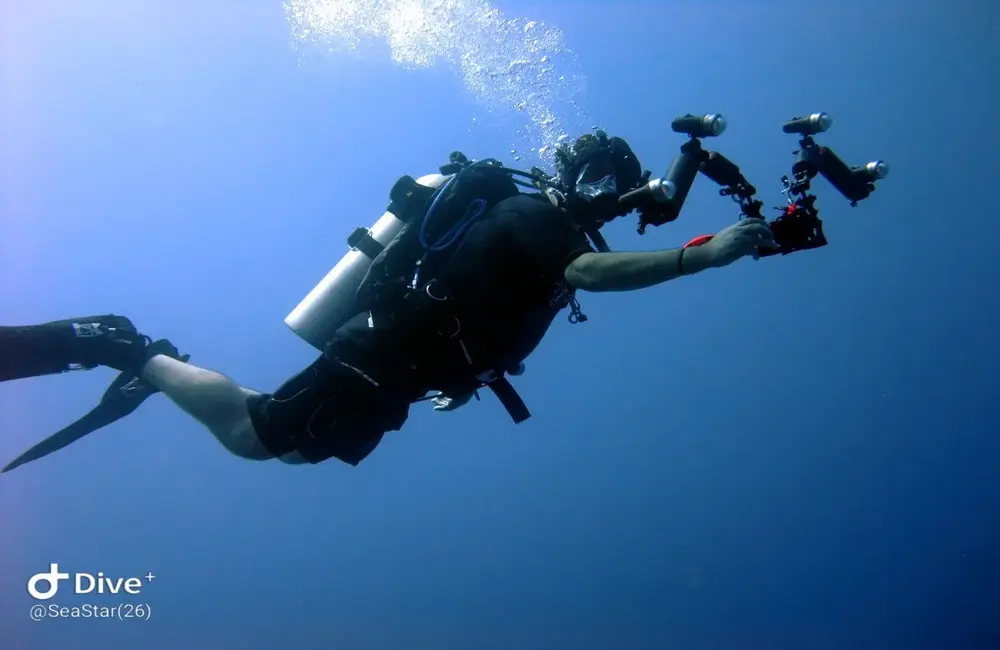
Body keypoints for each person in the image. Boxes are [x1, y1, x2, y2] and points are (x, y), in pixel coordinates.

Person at [1, 132, 776, 471]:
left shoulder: (547, 233)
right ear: (572, 176)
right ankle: (122, 345)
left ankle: (145, 364)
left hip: (402, 373)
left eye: (619, 182)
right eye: (598, 176)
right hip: (380, 354)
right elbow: (592, 276)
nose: (605, 194)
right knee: (255, 437)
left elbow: (494, 314)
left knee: (294, 450)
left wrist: (463, 383)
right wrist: (692, 257)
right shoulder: (538, 216)